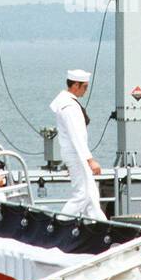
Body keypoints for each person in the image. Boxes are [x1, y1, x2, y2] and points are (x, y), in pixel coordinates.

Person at [49, 69, 104, 220]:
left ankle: (100, 227)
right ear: (75, 85)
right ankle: (58, 223)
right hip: (76, 155)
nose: (86, 90)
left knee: (91, 196)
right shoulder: (69, 106)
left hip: (75, 154)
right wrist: (90, 160)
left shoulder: (67, 102)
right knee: (82, 195)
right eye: (85, 86)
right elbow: (76, 136)